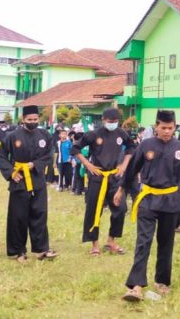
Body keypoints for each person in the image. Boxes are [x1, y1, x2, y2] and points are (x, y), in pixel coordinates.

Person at [115, 110, 180, 302]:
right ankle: (135, 286)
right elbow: (132, 168)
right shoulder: (146, 145)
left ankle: (162, 281)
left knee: (166, 242)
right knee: (143, 242)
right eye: (163, 128)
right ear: (156, 127)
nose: (167, 131)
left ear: (175, 127)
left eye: (170, 128)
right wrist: (121, 189)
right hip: (148, 199)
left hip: (170, 201)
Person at [0, 105, 58, 263]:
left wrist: (35, 164)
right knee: (18, 216)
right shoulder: (12, 136)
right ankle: (19, 251)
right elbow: (1, 155)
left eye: (35, 119)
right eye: (29, 120)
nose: (33, 122)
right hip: (19, 180)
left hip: (37, 179)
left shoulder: (45, 135)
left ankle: (42, 249)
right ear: (23, 119)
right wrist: (11, 172)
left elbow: (49, 155)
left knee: (40, 213)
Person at [71, 108, 132, 256]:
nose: (113, 124)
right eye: (110, 122)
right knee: (94, 210)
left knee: (121, 208)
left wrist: (123, 165)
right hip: (97, 177)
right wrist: (88, 164)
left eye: (116, 122)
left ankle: (111, 240)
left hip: (114, 176)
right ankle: (94, 244)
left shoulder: (121, 133)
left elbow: (131, 147)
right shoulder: (94, 134)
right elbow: (76, 148)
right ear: (104, 120)